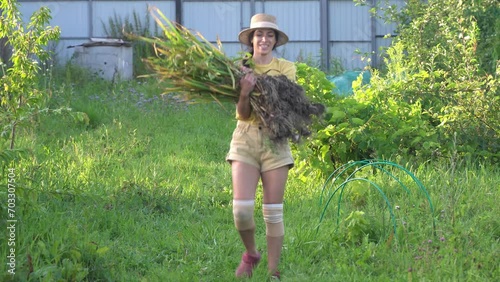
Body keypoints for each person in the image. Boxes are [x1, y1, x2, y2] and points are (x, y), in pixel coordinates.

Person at [226, 13, 295, 280]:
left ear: (275, 40)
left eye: (269, 35)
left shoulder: (286, 68)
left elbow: (285, 104)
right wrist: (244, 91)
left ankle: (272, 271)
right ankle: (252, 253)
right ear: (251, 40)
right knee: (241, 211)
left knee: (273, 213)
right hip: (245, 137)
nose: (264, 39)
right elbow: (242, 114)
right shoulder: (239, 68)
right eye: (259, 34)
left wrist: (259, 86)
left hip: (275, 139)